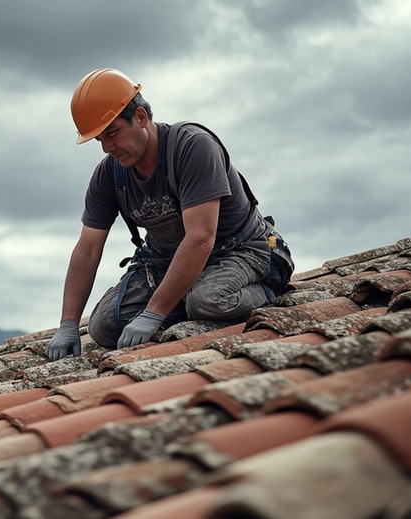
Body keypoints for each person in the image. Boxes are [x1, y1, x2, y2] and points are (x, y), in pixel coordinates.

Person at [47, 67, 289, 361]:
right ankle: (182, 296)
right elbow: (87, 250)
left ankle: (266, 288)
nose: (107, 148)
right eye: (99, 139)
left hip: (238, 251)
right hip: (165, 261)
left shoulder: (192, 147)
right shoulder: (109, 175)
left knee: (208, 301)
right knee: (104, 326)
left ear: (140, 118)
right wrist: (69, 323)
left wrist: (154, 313)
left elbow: (201, 238)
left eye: (112, 133)